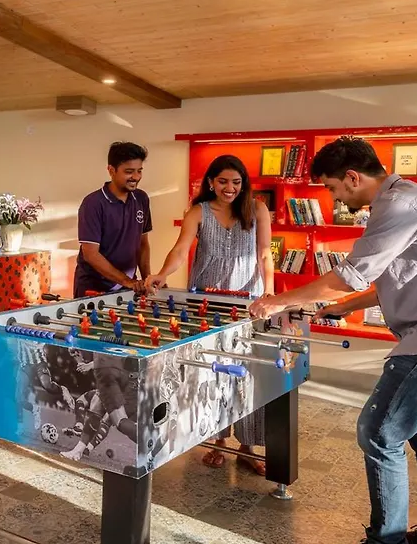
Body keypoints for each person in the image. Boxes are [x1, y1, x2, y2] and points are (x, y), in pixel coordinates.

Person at [246, 136, 417, 544]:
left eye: (332, 188)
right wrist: (343, 306)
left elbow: (349, 275)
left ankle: (386, 539)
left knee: (378, 432)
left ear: (353, 177)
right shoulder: (408, 200)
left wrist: (277, 301)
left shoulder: (399, 205)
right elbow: (402, 277)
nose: (334, 197)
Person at [145, 154, 273, 476]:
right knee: (211, 372)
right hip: (205, 301)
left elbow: (264, 254)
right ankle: (217, 441)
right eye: (223, 181)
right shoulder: (198, 211)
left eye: (236, 182)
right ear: (211, 183)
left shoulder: (257, 209)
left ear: (243, 184)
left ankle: (248, 447)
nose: (230, 188)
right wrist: (162, 274)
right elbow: (180, 249)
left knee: (248, 373)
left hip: (249, 302)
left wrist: (270, 293)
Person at [73, 142, 153, 297]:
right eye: (129, 171)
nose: (136, 177)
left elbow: (143, 244)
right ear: (111, 170)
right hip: (93, 288)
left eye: (139, 171)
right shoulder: (93, 203)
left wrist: (147, 280)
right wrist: (126, 281)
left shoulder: (141, 198)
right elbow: (90, 254)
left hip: (128, 286)